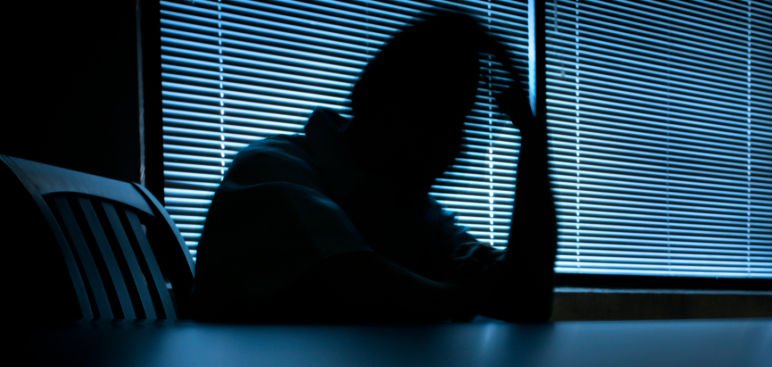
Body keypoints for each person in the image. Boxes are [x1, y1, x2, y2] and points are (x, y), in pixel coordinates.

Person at [192, 9, 557, 323]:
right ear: (376, 105)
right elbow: (356, 281)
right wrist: (464, 295)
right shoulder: (270, 171)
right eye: (436, 120)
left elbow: (525, 300)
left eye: (459, 124)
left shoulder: (405, 208)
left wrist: (532, 138)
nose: (456, 151)